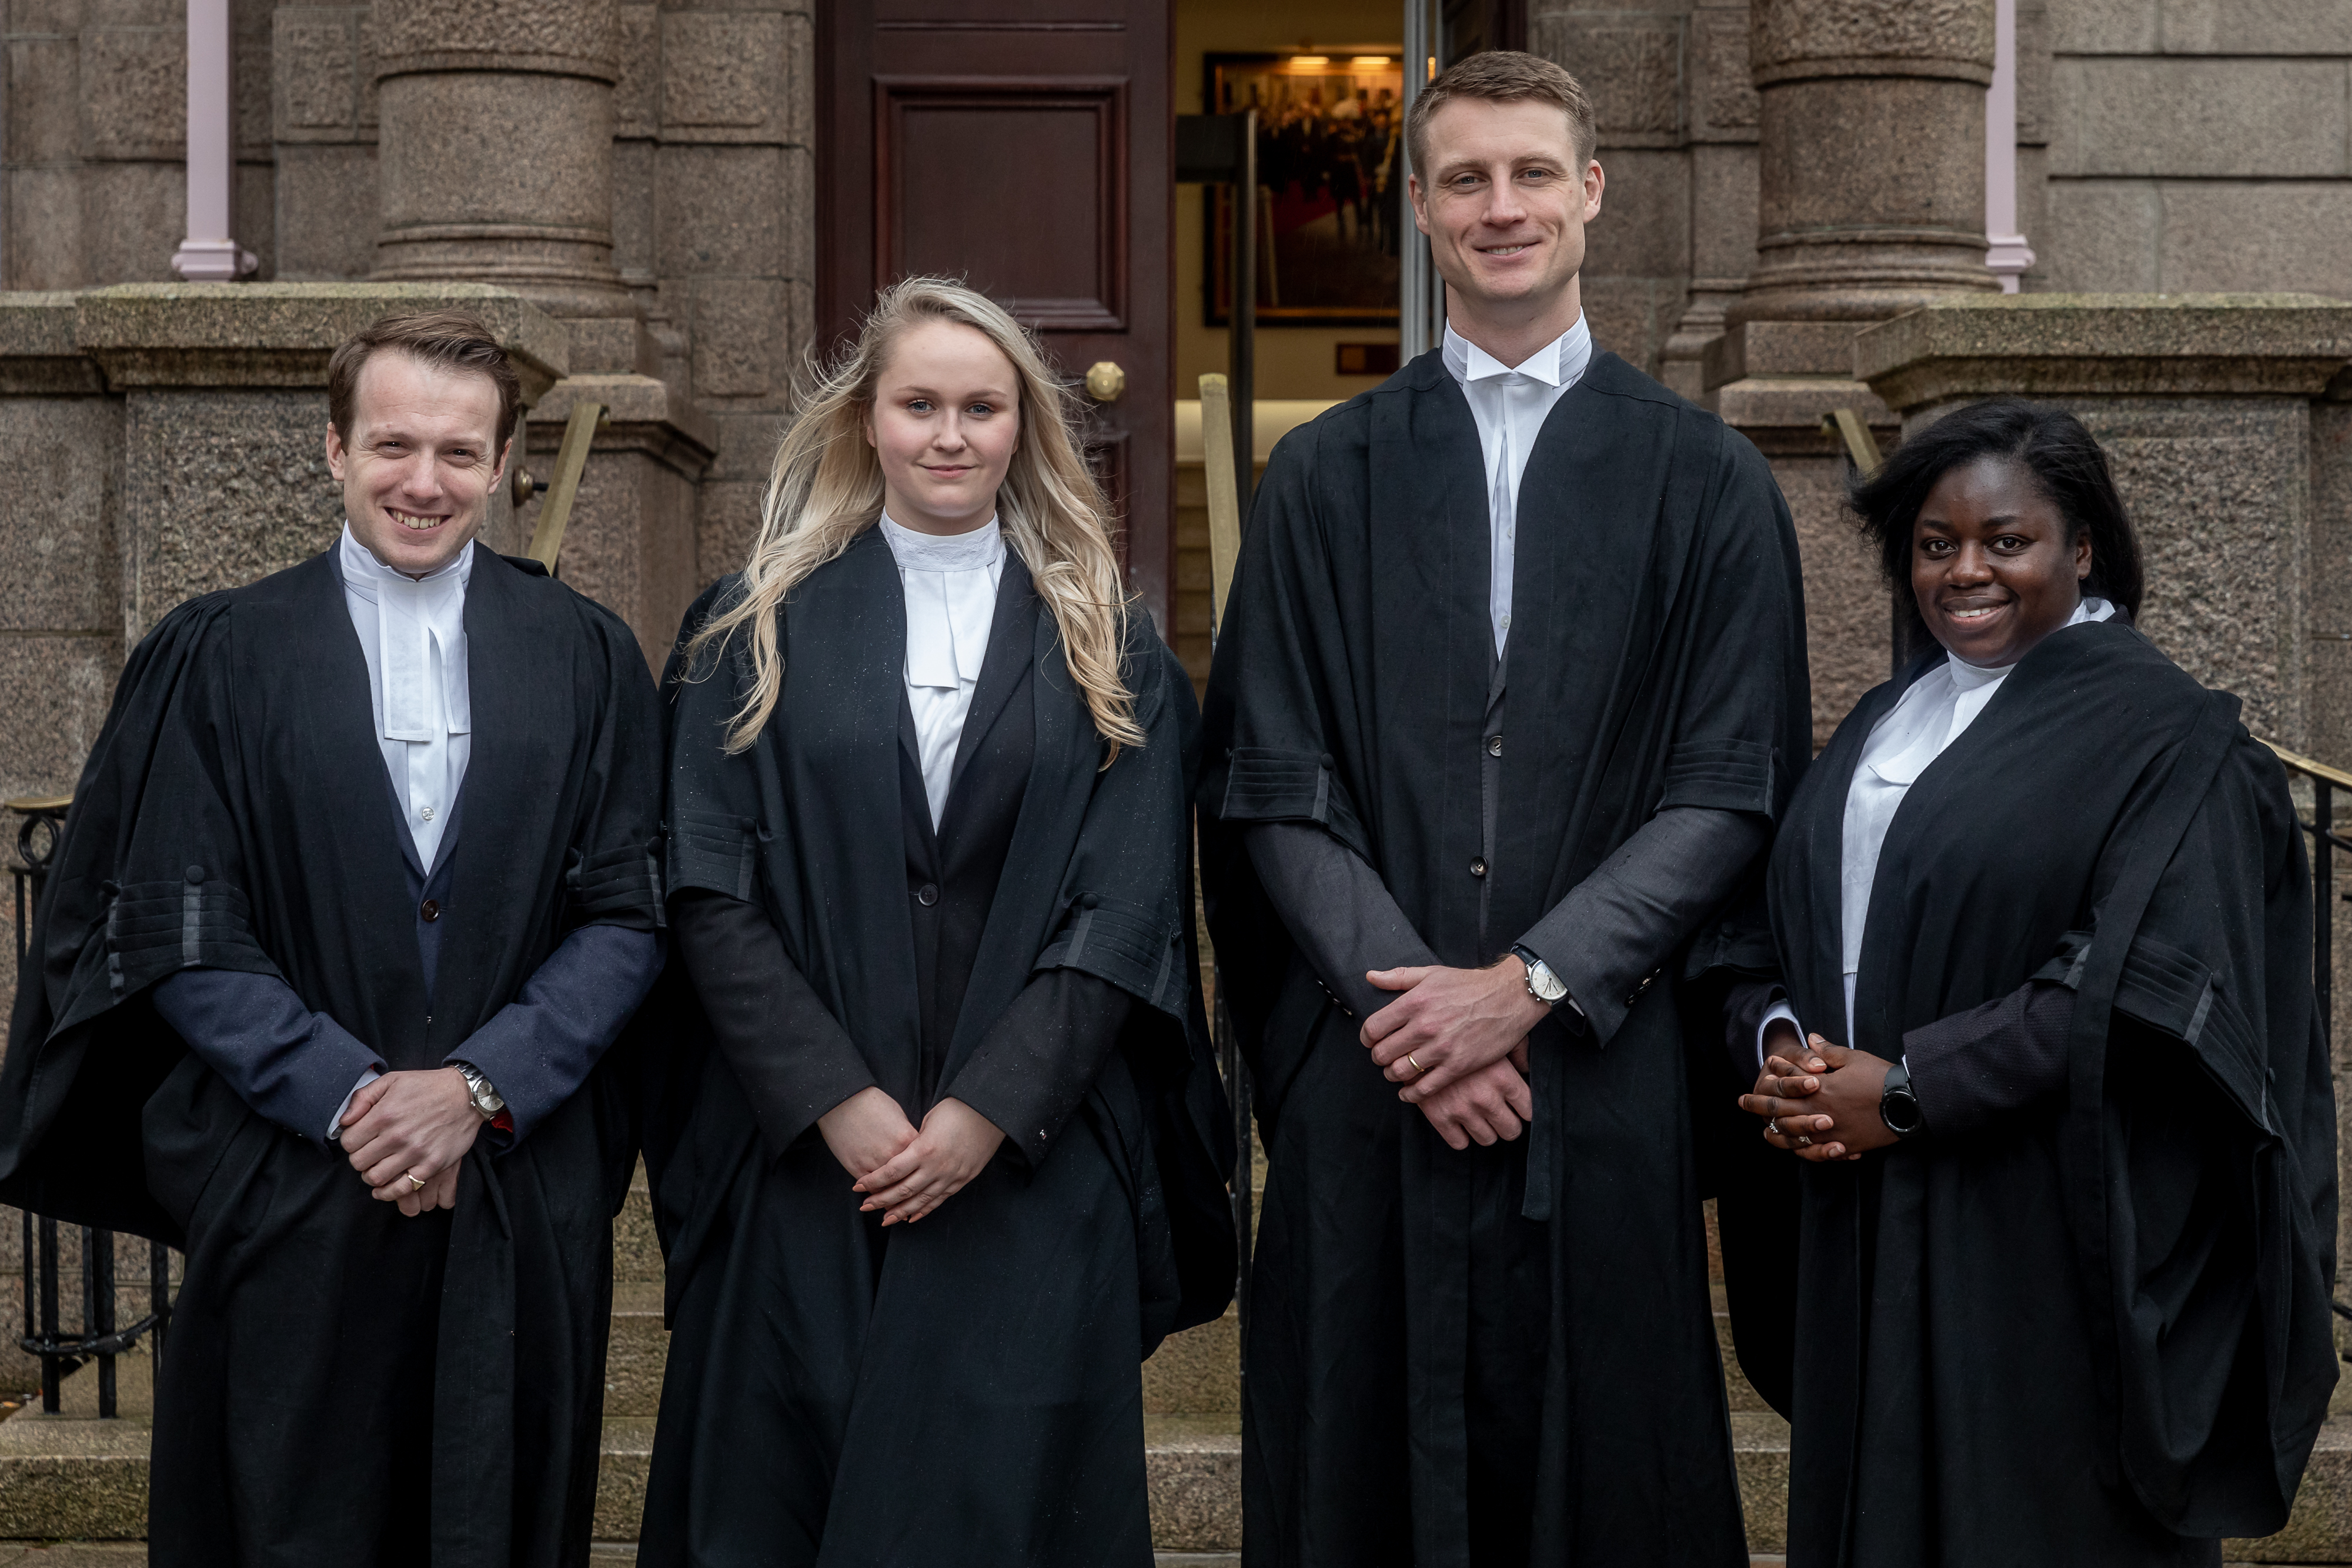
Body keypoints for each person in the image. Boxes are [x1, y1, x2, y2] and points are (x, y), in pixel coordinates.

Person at [1199, 49, 1810, 1568]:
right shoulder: (1320, 477)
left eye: (1533, 171)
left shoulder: (1707, 481)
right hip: (1372, 1074)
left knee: (1603, 1485)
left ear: (1590, 191)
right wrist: (1415, 1013)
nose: (1502, 205)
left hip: (1594, 1074)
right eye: (1464, 177)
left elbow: (1731, 784)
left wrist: (1528, 985)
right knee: (1354, 1474)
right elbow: (1272, 777)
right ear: (1418, 207)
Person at [0, 310, 667, 1564]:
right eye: (394, 445)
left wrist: (478, 1088)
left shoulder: (585, 658)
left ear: (502, 463)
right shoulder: (222, 653)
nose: (425, 481)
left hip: (509, 1183)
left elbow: (628, 911)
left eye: (459, 452)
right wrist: (354, 1098)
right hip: (295, 1171)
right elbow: (177, 917)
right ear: (334, 448)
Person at [639, 277, 1233, 1566]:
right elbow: (706, 889)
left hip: (1029, 1166)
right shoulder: (749, 626)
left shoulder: (1109, 642)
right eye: (919, 405)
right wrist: (833, 1095)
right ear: (867, 417)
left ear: (1026, 425)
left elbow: (1126, 908)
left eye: (981, 407)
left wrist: (986, 1111)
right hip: (806, 1166)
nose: (949, 435)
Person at [1734, 400, 2337, 1566]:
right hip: (1860, 1212)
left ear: (2082, 547)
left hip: (2037, 1230)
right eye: (1934, 544)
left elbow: (2142, 977)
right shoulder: (1885, 719)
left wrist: (1906, 1090)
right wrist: (1780, 1046)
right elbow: (1773, 923)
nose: (1964, 571)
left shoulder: (2171, 738)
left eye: (2004, 540)